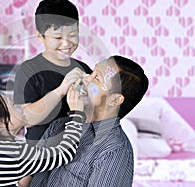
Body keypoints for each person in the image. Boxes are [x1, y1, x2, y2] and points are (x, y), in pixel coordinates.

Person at [30, 55, 149, 187]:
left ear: (115, 100)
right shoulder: (59, 126)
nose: (85, 78)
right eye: (92, 72)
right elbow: (29, 176)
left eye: (97, 78)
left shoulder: (114, 151)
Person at [0, 88, 86, 187]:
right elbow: (64, 153)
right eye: (14, 106)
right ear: (0, 124)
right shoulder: (7, 153)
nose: (22, 107)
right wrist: (77, 113)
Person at [13, 0, 92, 145]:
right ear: (40, 36)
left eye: (73, 35)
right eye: (57, 37)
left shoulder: (83, 69)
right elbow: (27, 119)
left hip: (77, 153)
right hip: (42, 157)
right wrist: (61, 89)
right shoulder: (28, 70)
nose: (66, 43)